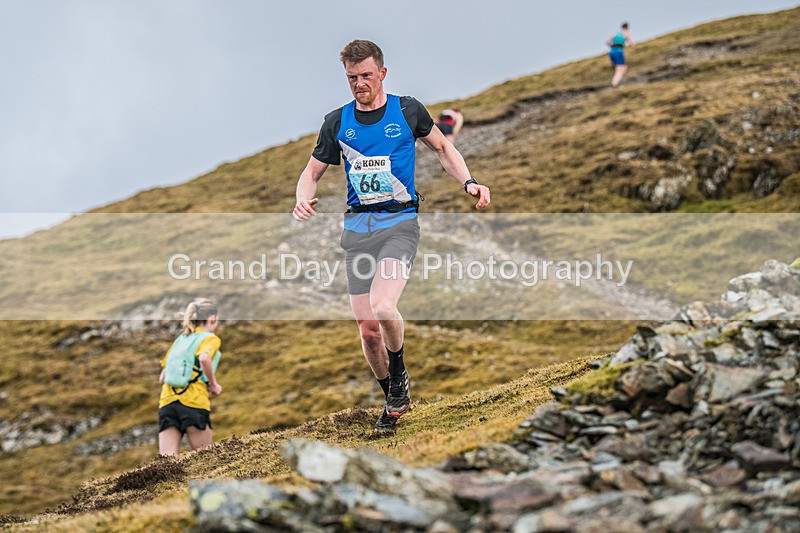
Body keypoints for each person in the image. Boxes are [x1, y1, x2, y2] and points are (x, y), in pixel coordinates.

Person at [292, 40, 490, 432]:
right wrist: (303, 200)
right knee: (367, 331)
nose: (359, 84)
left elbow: (443, 149)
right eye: (352, 78)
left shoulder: (407, 109)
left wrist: (468, 182)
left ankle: (398, 379)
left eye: (366, 75)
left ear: (382, 73)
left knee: (384, 307)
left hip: (399, 225)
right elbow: (311, 173)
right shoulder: (337, 121)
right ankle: (394, 398)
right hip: (357, 230)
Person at [158, 298, 223, 455]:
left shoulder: (180, 339)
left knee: (166, 464)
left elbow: (162, 378)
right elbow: (204, 358)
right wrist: (213, 384)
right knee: (205, 459)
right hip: (194, 402)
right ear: (213, 318)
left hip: (167, 403)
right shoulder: (210, 338)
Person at [606, 22, 635, 88]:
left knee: (622, 68)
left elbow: (607, 42)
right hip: (619, 51)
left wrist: (612, 46)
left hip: (611, 52)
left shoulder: (615, 33)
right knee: (620, 69)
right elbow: (631, 43)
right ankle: (614, 84)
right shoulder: (626, 33)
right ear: (627, 28)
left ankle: (617, 83)